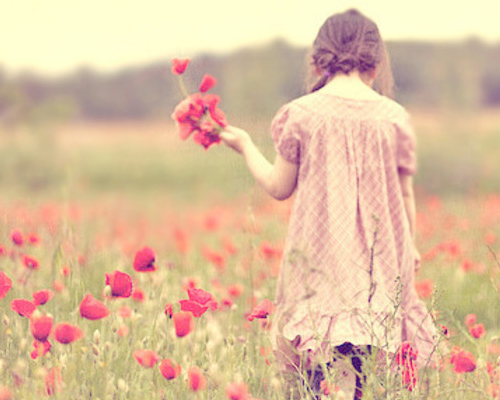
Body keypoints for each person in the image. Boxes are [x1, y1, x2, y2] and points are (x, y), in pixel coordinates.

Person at [220, 8, 438, 400]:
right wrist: (412, 246)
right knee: (362, 373)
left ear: (319, 58)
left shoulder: (302, 114)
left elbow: (278, 186)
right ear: (376, 60)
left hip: (319, 265)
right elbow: (405, 195)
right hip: (379, 264)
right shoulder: (394, 118)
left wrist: (246, 146)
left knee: (319, 377)